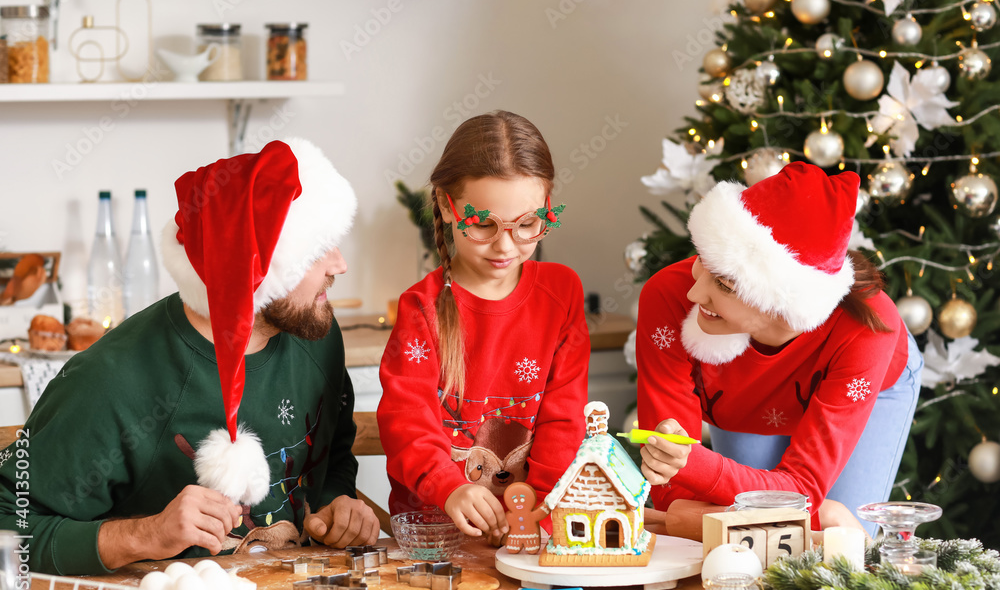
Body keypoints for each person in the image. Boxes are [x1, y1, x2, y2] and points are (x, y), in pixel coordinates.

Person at [0, 139, 379, 575]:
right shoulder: (112, 380)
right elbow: (10, 527)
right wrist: (147, 534)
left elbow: (334, 456)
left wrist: (336, 503)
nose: (340, 265)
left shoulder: (317, 336)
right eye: (317, 251)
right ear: (254, 267)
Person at [635, 161, 923, 535]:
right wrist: (820, 513)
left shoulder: (868, 328)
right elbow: (674, 497)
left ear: (783, 305)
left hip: (870, 383)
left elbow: (803, 493)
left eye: (723, 284)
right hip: (750, 397)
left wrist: (828, 516)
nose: (694, 293)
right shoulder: (667, 296)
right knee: (752, 538)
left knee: (843, 543)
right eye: (702, 262)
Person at [377, 111, 590, 543]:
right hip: (438, 536)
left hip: (532, 529)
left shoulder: (561, 291)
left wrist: (540, 508)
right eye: (483, 224)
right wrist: (450, 487)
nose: (506, 245)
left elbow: (565, 420)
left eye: (527, 224)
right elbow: (406, 423)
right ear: (444, 204)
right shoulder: (421, 308)